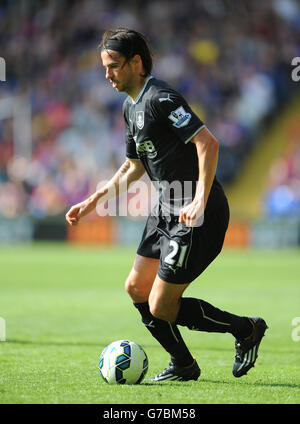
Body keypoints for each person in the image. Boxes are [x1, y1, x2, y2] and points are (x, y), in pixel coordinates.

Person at [65, 28, 268, 382]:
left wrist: (198, 200)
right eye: (104, 67)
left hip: (198, 213)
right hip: (166, 208)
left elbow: (209, 143)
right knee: (135, 288)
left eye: (113, 66)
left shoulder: (161, 98)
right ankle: (184, 364)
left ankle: (246, 329)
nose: (107, 75)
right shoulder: (131, 108)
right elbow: (134, 166)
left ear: (136, 63)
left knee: (161, 306)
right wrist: (93, 199)